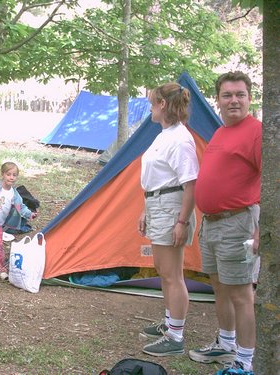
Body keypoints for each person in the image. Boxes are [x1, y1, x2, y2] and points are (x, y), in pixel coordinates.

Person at [189, 71, 261, 375]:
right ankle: (226, 343)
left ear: (249, 98)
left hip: (238, 223)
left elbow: (274, 181)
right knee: (219, 287)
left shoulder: (256, 131)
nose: (234, 100)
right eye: (227, 95)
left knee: (241, 293)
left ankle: (245, 360)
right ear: (217, 99)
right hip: (212, 223)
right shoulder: (221, 132)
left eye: (240, 95)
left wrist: (262, 229)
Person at [137, 83, 199, 357]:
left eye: (153, 101)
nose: (150, 106)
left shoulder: (180, 139)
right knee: (165, 271)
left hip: (171, 207)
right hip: (158, 204)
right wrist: (145, 209)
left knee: (173, 274)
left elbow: (191, 184)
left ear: (163, 104)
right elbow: (158, 178)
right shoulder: (165, 134)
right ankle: (169, 321)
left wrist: (182, 222)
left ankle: (175, 336)